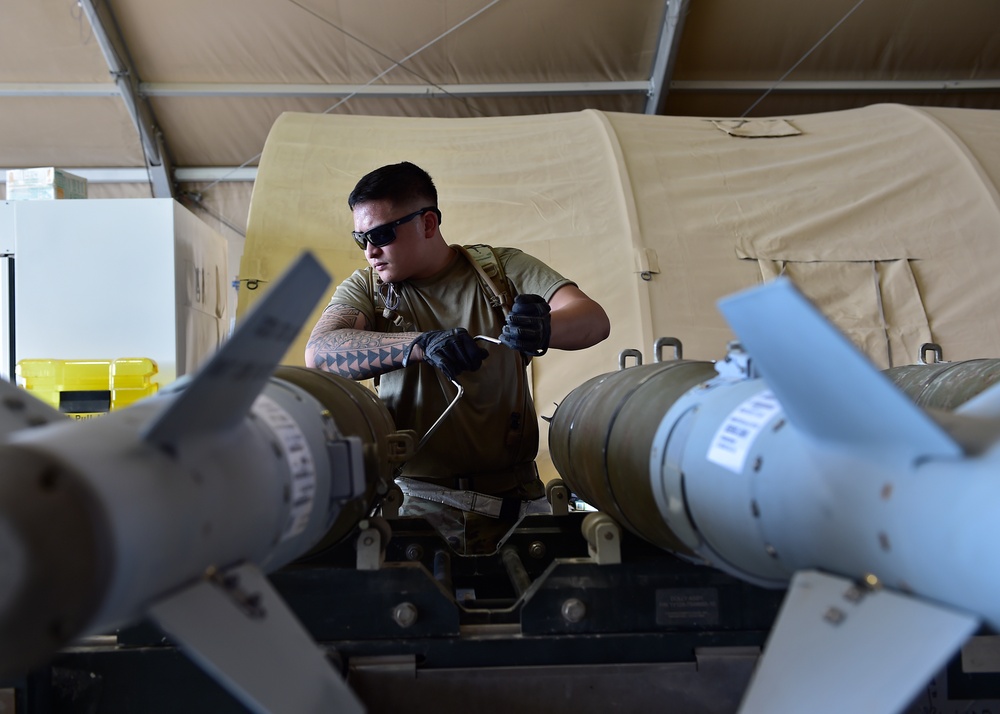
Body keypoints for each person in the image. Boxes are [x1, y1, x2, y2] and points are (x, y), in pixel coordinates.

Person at [305, 161, 609, 540]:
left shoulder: (499, 271)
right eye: (360, 238)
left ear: (428, 223)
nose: (369, 251)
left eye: (381, 235)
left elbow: (594, 320)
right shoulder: (368, 289)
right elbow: (321, 351)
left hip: (516, 503)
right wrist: (419, 344)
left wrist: (544, 328)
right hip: (416, 506)